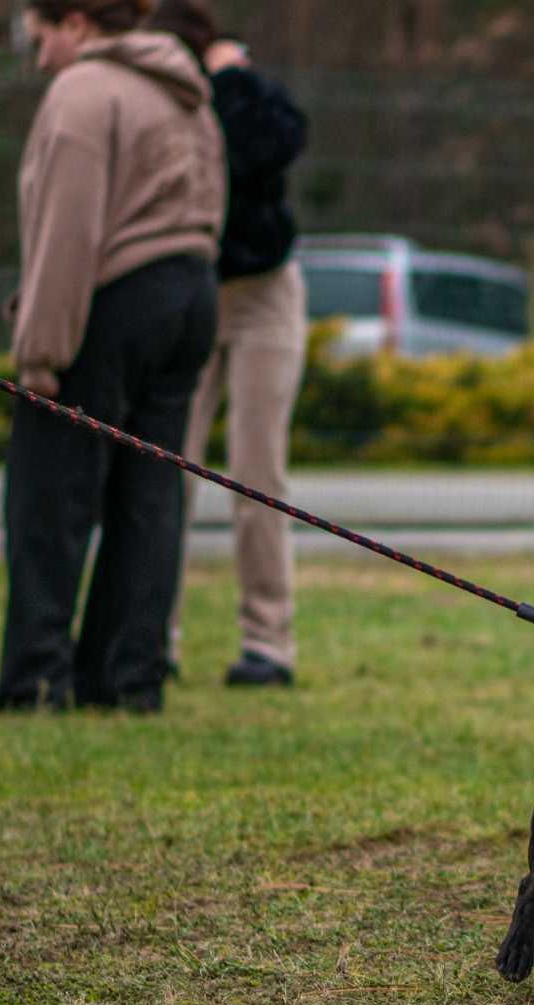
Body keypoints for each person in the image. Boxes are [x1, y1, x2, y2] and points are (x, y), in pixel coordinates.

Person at [0, 0, 225, 713]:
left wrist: (40, 357)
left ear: (79, 22)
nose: (40, 57)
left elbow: (68, 233)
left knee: (48, 492)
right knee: (150, 496)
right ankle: (126, 678)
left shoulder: (84, 92)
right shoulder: (187, 92)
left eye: (43, 38)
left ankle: (36, 675)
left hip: (113, 298)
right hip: (190, 292)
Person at [148, 0, 309, 688]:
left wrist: (229, 78)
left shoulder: (240, 96)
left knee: (256, 473)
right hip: (190, 291)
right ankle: (150, 635)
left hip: (263, 293)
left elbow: (275, 143)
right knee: (162, 469)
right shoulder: (153, 101)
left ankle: (267, 644)